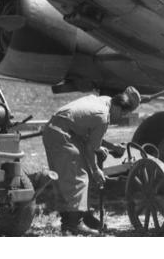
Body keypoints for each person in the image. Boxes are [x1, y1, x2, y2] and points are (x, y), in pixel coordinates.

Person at [42, 86, 141, 235]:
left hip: (58, 130)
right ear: (118, 108)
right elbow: (90, 148)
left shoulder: (104, 101)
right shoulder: (102, 116)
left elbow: (89, 133)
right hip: (62, 134)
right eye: (123, 114)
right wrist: (96, 170)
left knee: (66, 177)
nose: (120, 118)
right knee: (78, 178)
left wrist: (110, 146)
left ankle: (82, 216)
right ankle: (73, 224)